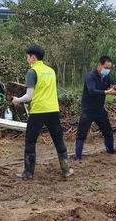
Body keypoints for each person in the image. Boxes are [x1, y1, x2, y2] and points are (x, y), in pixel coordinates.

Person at [12, 44, 74, 179]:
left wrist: (17, 100)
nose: (27, 59)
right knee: (58, 139)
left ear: (33, 57)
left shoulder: (32, 72)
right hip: (53, 109)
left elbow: (29, 96)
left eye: (27, 57)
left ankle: (28, 172)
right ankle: (66, 170)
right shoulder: (51, 71)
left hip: (39, 110)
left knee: (30, 140)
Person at [74, 56, 116, 161]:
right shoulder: (90, 76)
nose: (107, 70)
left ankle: (110, 151)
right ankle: (77, 157)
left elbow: (114, 85)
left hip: (100, 109)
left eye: (109, 68)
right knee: (82, 133)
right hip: (88, 110)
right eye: (106, 67)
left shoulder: (106, 77)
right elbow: (92, 91)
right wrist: (108, 92)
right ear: (99, 65)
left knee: (108, 131)